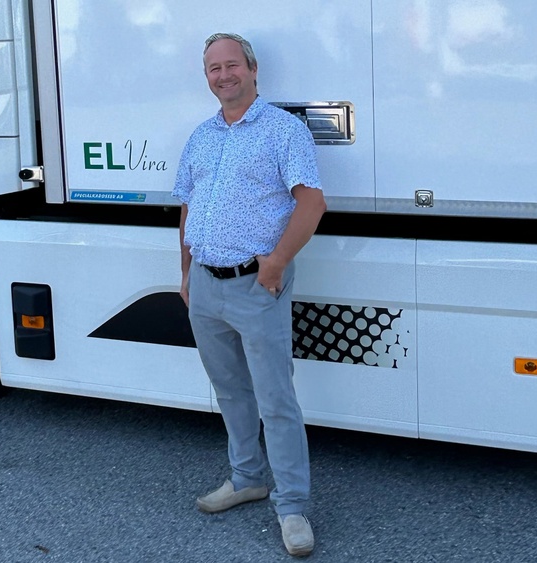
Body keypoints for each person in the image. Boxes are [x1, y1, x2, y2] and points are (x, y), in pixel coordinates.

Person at [172, 33, 327, 557]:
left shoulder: (284, 131)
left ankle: (292, 507)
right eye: (213, 68)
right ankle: (246, 479)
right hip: (207, 289)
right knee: (231, 393)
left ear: (253, 70)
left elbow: (311, 204)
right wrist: (187, 272)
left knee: (276, 400)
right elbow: (188, 208)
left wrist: (276, 263)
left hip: (256, 286)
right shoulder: (201, 136)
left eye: (231, 65)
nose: (223, 75)